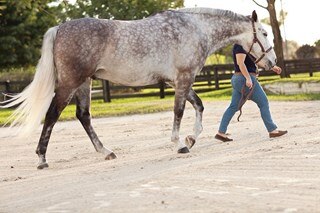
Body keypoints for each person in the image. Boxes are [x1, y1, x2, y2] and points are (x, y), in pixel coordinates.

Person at [214, 44, 287, 142]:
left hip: (239, 79)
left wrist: (272, 67)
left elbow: (256, 61)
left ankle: (221, 133)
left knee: (233, 106)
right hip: (244, 78)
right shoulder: (240, 45)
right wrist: (248, 78)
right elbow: (241, 63)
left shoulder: (248, 46)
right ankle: (272, 130)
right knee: (263, 102)